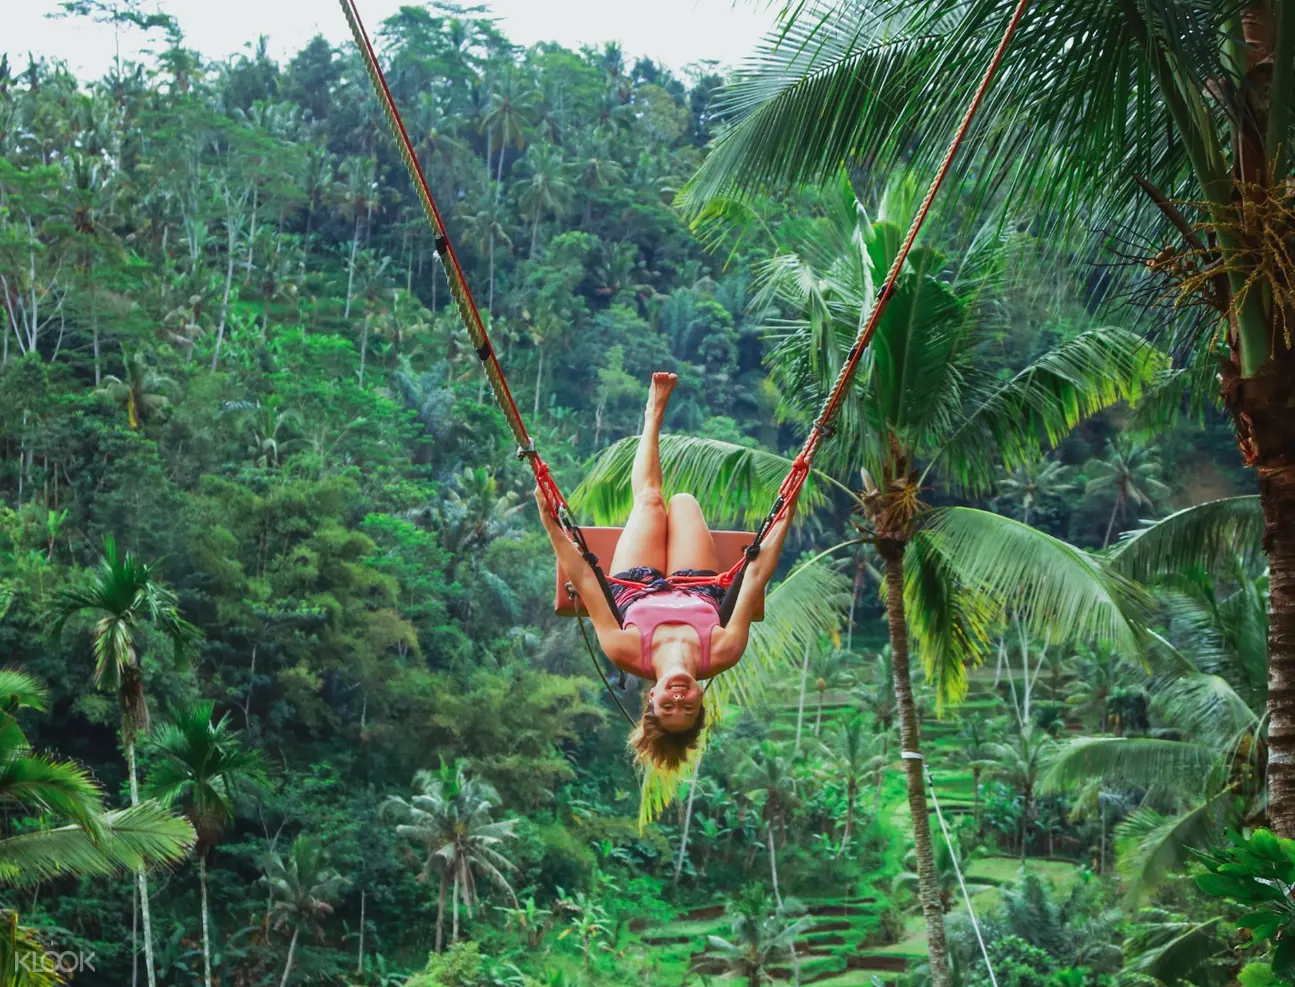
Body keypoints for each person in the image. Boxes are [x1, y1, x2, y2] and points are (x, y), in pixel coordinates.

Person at [537, 372, 799, 770]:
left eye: (668, 706)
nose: (679, 698)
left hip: (635, 584)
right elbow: (756, 576)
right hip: (698, 585)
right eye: (687, 708)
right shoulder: (723, 651)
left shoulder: (624, 650)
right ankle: (656, 429)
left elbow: (587, 580)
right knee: (684, 501)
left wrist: (551, 525)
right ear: (700, 704)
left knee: (652, 501)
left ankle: (652, 415)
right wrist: (787, 511)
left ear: (652, 698)